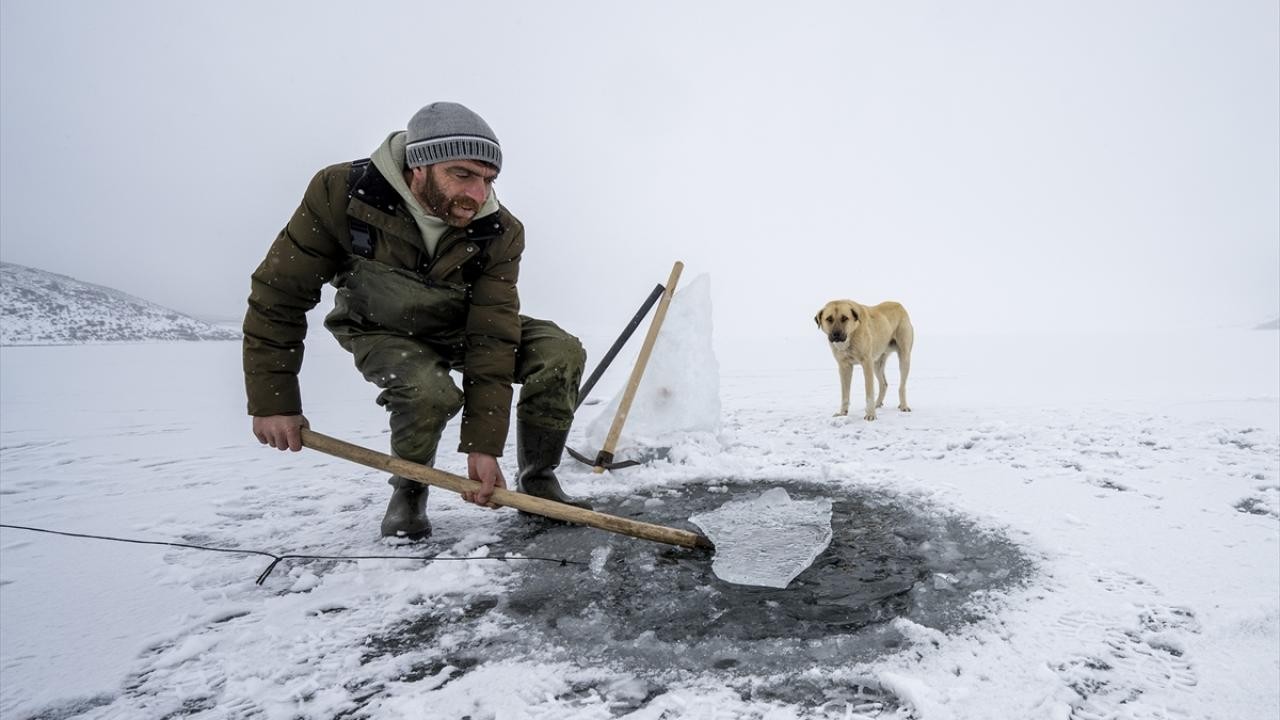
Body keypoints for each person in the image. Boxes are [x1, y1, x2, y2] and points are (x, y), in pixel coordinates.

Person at [243, 102, 590, 540]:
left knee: (560, 351)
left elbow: (492, 333)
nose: (478, 195)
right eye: (462, 174)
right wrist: (273, 402)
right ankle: (410, 489)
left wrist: (482, 447)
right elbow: (279, 294)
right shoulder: (341, 193)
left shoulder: (500, 230)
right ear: (418, 165)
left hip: (459, 328)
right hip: (379, 328)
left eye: (488, 180)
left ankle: (538, 481)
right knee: (428, 391)